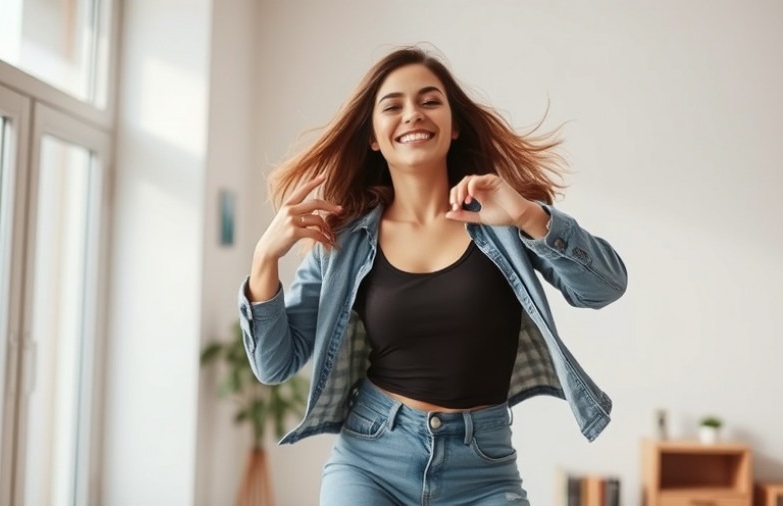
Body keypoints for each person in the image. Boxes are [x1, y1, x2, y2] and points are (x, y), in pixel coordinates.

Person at [238, 46, 627, 505]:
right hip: (371, 461)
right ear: (373, 137)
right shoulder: (344, 242)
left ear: (454, 124)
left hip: (483, 472)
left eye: (429, 101)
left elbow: (605, 288)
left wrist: (528, 216)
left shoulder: (503, 218)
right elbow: (274, 365)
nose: (413, 114)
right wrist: (264, 260)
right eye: (393, 106)